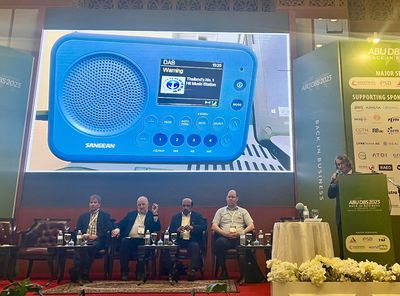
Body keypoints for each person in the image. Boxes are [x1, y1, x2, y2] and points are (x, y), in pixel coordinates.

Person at [111, 196, 160, 281]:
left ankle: (140, 272)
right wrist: (117, 229)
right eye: (139, 205)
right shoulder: (131, 215)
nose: (141, 206)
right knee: (123, 242)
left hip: (143, 240)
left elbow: (157, 227)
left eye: (143, 204)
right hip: (130, 240)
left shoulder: (151, 215)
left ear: (147, 205)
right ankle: (124, 272)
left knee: (142, 245)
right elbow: (121, 224)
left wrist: (155, 214)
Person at [211, 189, 254, 280]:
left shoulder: (243, 211)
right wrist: (225, 234)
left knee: (242, 245)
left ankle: (243, 274)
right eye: (229, 197)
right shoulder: (220, 211)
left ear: (237, 199)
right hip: (225, 238)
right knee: (219, 243)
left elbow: (251, 226)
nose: (231, 199)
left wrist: (240, 233)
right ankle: (224, 271)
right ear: (226, 198)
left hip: (239, 237)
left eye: (233, 197)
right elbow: (214, 226)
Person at [69, 194, 113, 283]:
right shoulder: (83, 216)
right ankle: (82, 273)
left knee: (90, 247)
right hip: (84, 239)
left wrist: (97, 236)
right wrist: (83, 235)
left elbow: (108, 228)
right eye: (91, 202)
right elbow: (78, 230)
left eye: (95, 202)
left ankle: (78, 272)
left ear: (99, 204)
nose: (92, 204)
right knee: (79, 249)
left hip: (98, 240)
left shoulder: (105, 216)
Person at [169, 197, 207, 281]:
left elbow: (204, 226)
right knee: (170, 247)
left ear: (191, 207)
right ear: (181, 206)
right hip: (179, 241)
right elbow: (170, 230)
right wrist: (177, 230)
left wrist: (192, 227)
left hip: (192, 240)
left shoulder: (197, 216)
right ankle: (173, 270)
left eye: (188, 206)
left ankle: (191, 270)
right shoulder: (176, 217)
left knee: (195, 246)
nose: (185, 207)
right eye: (184, 206)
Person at [328, 154, 353, 258]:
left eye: (342, 163)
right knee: (343, 246)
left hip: (356, 216)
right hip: (342, 217)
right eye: (338, 165)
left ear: (347, 163)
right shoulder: (338, 179)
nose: (340, 167)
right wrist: (333, 182)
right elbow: (330, 195)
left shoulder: (358, 176)